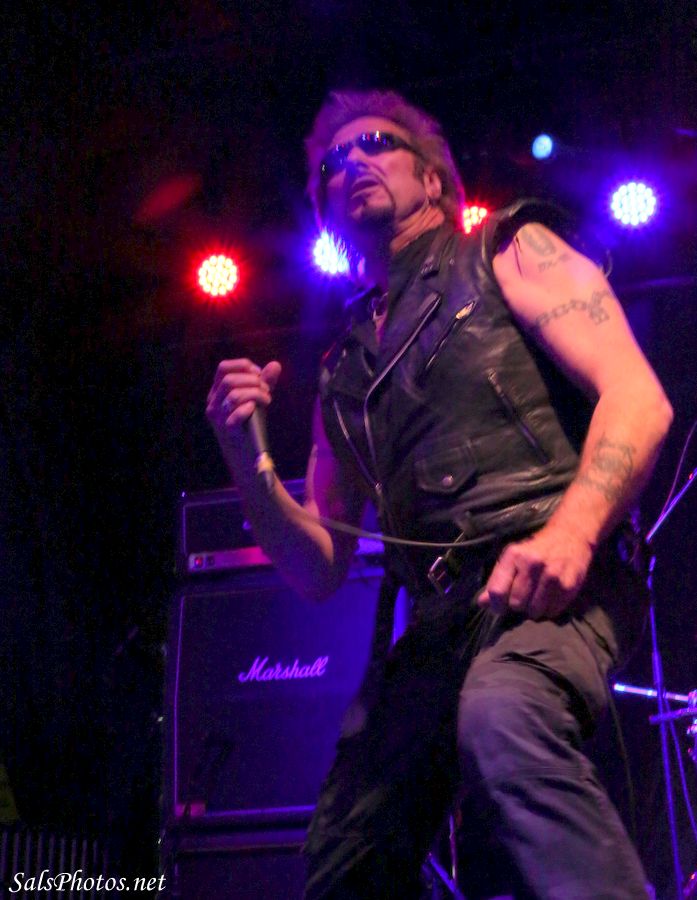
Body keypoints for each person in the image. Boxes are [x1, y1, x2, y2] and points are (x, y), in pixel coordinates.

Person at [206, 90, 673, 899]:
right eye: (332, 161)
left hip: (553, 577)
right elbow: (319, 565)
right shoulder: (342, 369)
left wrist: (569, 534)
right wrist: (248, 464)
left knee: (504, 714)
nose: (352, 161)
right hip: (437, 623)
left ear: (432, 179)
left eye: (377, 144)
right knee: (347, 850)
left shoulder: (509, 251)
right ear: (322, 211)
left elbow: (637, 398)